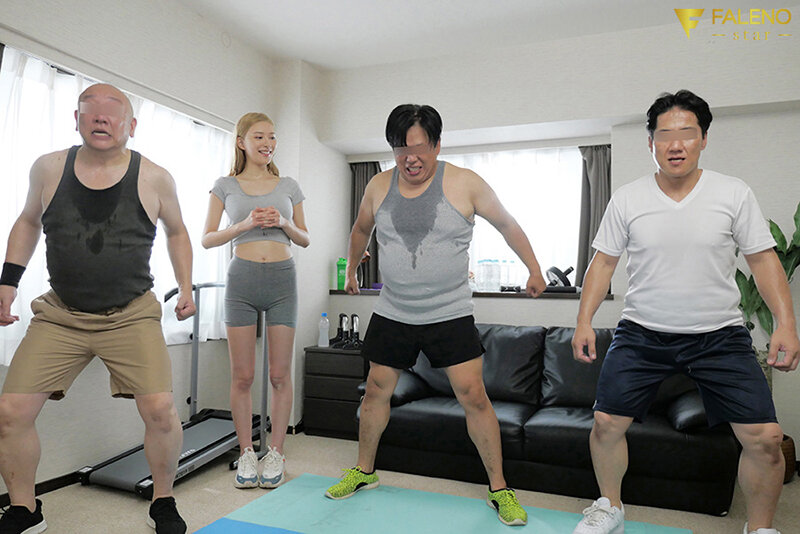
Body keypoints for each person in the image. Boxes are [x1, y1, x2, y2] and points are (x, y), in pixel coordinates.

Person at [570, 90, 799, 534]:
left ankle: (760, 528)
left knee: (767, 439)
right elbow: (604, 263)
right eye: (664, 135)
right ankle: (610, 508)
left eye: (687, 133)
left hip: (720, 335)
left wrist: (786, 324)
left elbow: (763, 259)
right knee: (605, 423)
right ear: (651, 143)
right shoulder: (628, 198)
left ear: (704, 139)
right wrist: (583, 321)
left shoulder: (733, 193)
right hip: (641, 333)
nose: (675, 144)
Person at [324, 104, 547, 527]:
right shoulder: (378, 185)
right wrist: (351, 270)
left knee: (474, 396)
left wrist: (534, 270)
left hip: (450, 312)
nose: (410, 158)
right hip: (393, 310)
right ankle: (364, 471)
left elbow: (508, 225)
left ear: (437, 145)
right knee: (375, 391)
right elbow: (361, 229)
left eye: (419, 147)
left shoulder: (465, 182)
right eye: (400, 149)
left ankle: (500, 488)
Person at [0, 83, 196, 534]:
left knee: (160, 409)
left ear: (131, 125)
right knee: (10, 412)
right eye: (90, 111)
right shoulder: (48, 168)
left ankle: (163, 501)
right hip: (61, 314)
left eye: (112, 112)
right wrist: (8, 281)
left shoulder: (155, 177)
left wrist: (186, 286)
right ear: (77, 120)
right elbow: (28, 221)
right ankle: (25, 510)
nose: (101, 118)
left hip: (131, 314)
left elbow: (178, 231)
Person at [202, 112, 309, 490]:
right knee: (243, 375)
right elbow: (207, 238)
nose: (268, 143)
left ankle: (276, 451)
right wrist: (244, 225)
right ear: (242, 142)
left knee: (279, 374)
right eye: (259, 136)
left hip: (282, 281)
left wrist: (283, 222)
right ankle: (247, 451)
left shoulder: (289, 185)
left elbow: (305, 238)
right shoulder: (225, 185)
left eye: (272, 137)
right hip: (242, 281)